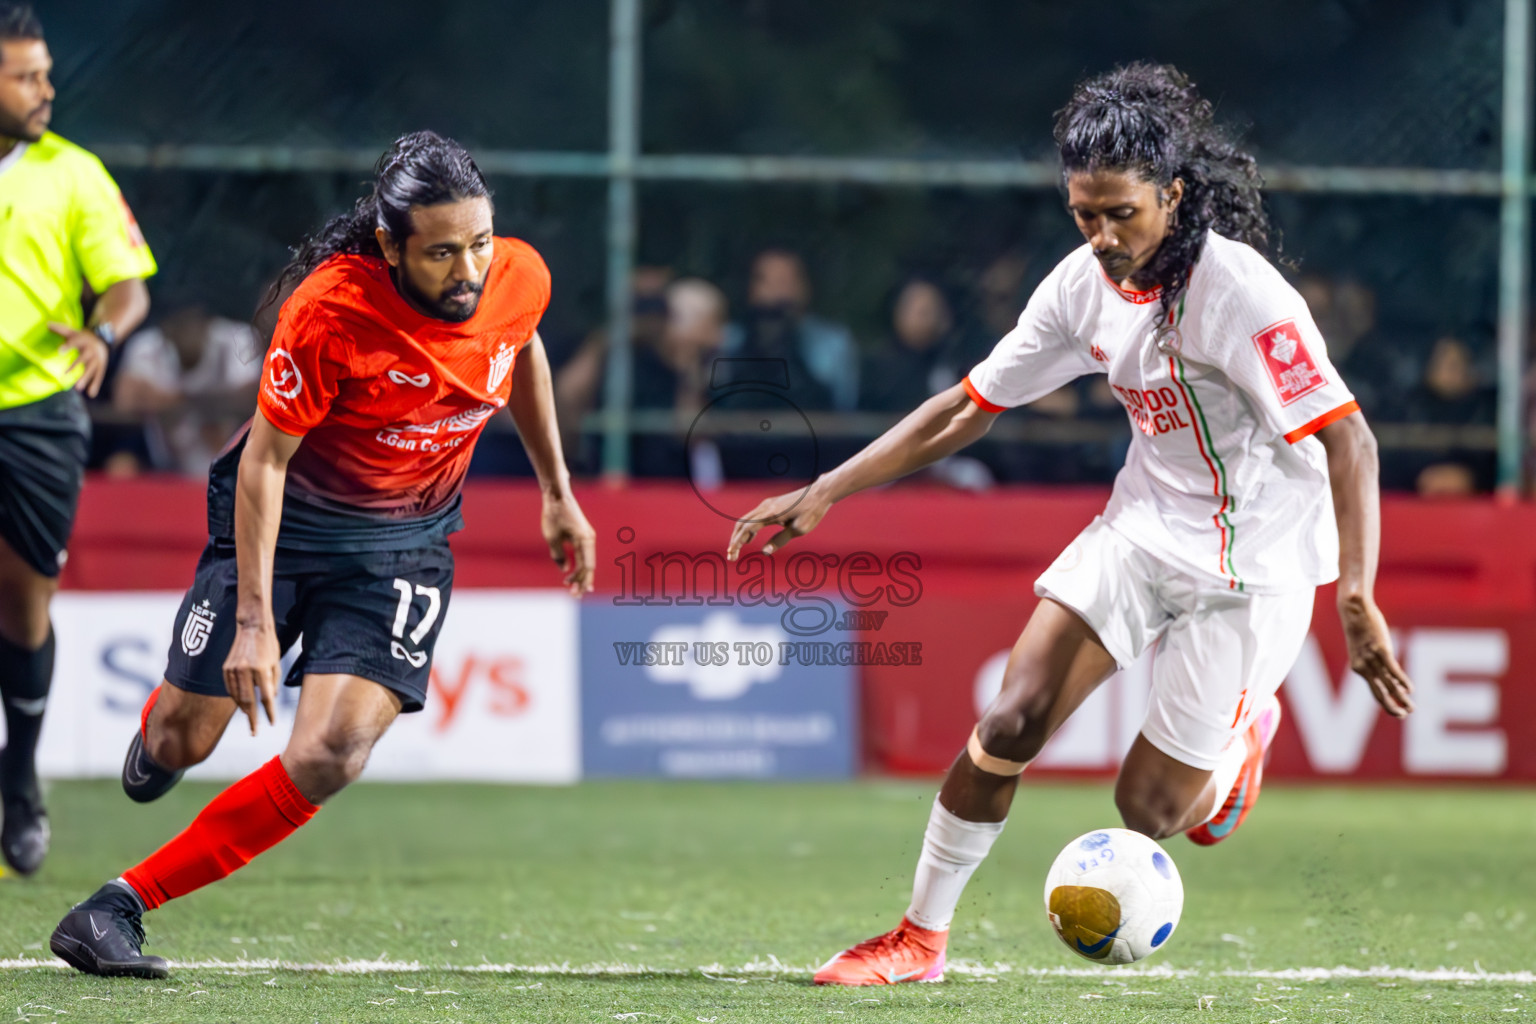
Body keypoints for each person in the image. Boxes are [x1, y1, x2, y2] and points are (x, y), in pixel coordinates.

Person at [727, 63, 1415, 985]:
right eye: (1083, 214)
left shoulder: (1243, 295)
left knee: (1154, 812)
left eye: (1121, 213)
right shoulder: (1080, 286)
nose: (1101, 236)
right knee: (1010, 720)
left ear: (1173, 196)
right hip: (1140, 531)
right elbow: (967, 408)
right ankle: (918, 938)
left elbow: (1351, 439)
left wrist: (1359, 593)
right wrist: (828, 488)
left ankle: (1241, 740)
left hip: (1257, 567)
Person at [48, 131, 595, 978]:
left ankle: (117, 908)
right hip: (287, 524)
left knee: (332, 751)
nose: (470, 272)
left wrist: (557, 489)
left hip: (404, 545)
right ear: (390, 245)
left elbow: (517, 347)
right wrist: (256, 624)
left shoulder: (519, 276)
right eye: (443, 252)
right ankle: (162, 740)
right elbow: (264, 462)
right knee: (184, 738)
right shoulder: (331, 309)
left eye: (480, 243)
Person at [0, 3, 155, 875]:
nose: (44, 89)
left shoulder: (74, 175)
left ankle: (19, 782)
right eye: (25, 75)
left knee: (23, 603)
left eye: (46, 72)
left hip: (39, 413)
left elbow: (127, 287)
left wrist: (105, 331)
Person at [113, 306, 261, 476]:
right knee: (122, 463)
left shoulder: (235, 339)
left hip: (223, 451)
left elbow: (252, 397)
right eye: (180, 325)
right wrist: (195, 403)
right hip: (163, 457)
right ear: (167, 329)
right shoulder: (148, 345)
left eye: (193, 323)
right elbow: (124, 401)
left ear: (207, 323)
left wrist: (179, 401)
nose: (187, 331)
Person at [722, 248, 858, 412]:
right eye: (768, 282)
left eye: (784, 281)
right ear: (750, 288)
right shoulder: (728, 340)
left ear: (805, 287)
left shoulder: (834, 343)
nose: (777, 292)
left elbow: (845, 410)